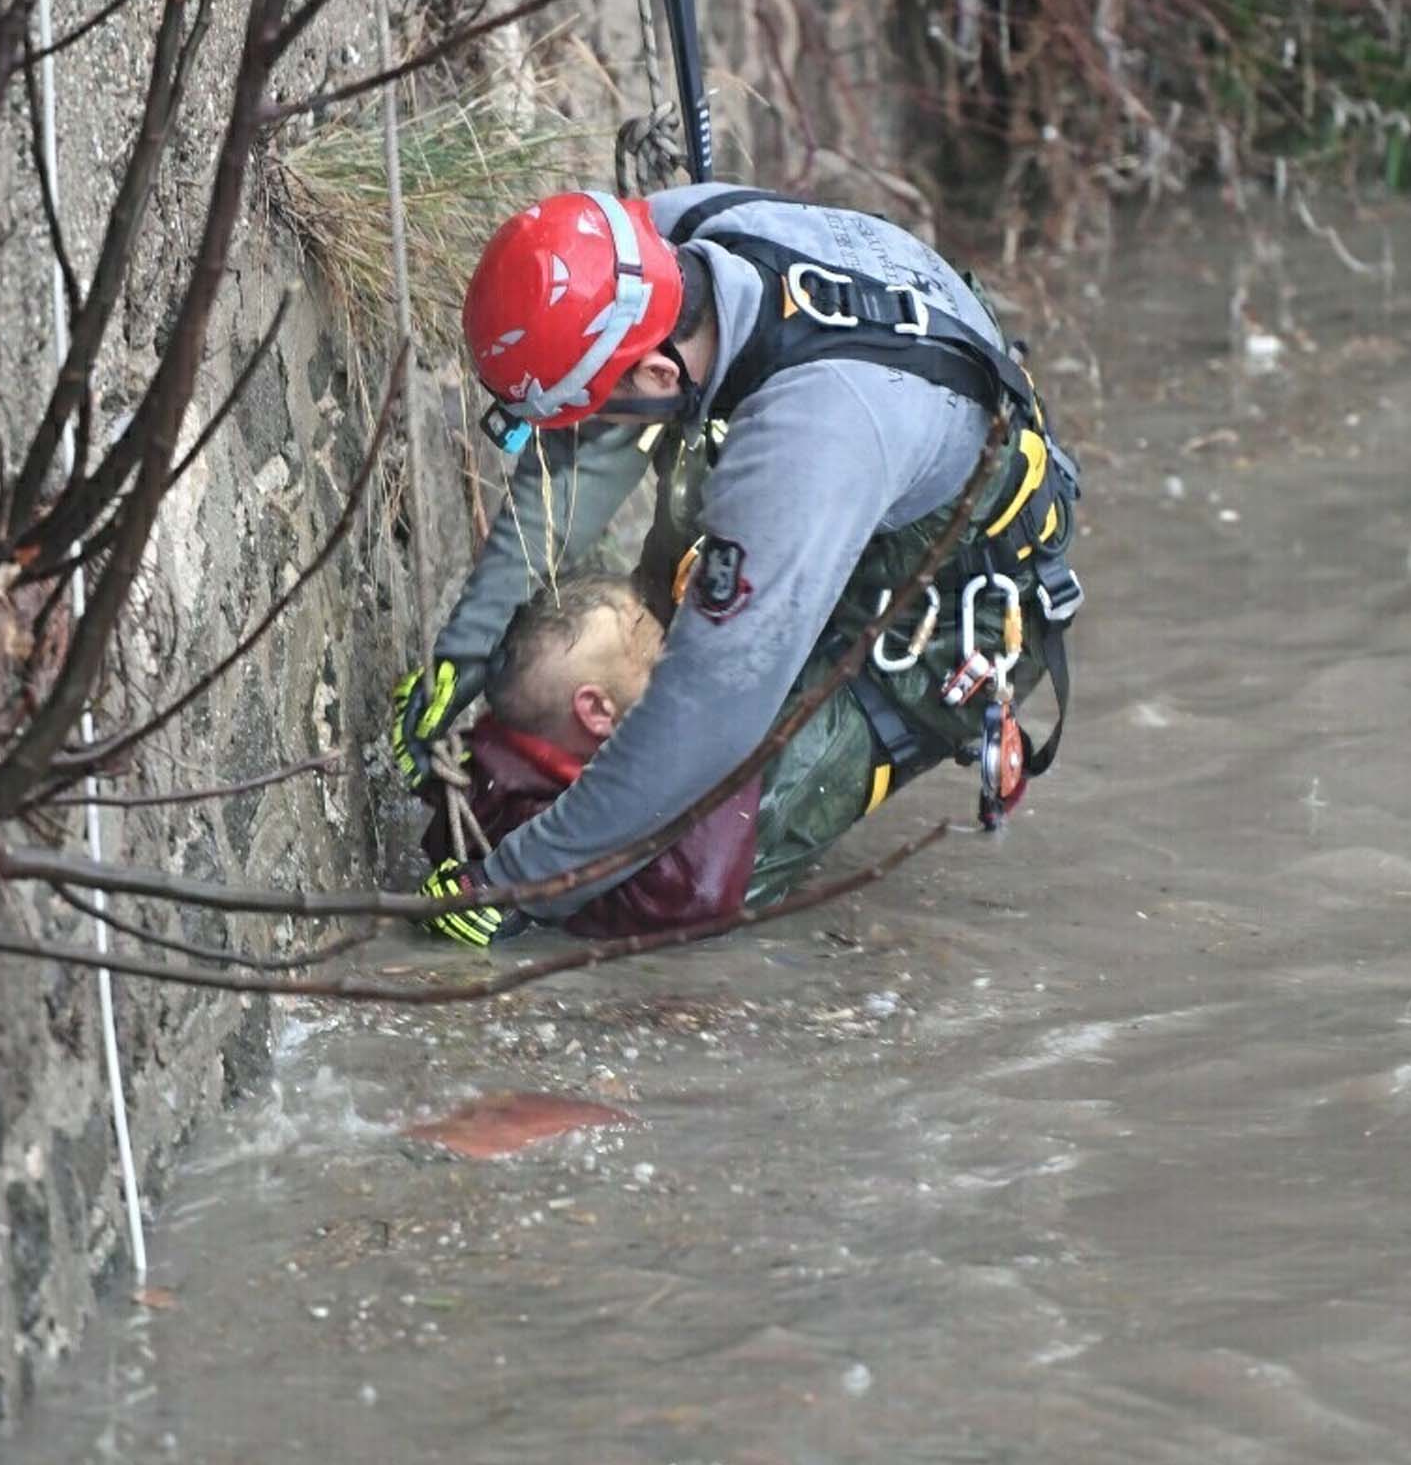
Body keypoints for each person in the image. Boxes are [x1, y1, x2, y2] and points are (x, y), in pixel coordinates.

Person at [396, 184, 1085, 945]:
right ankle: (577, 791)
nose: (590, 429)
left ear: (658, 374)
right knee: (672, 608)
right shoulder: (664, 242)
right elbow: (585, 447)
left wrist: (518, 884)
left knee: (690, 873)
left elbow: (707, 713)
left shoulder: (805, 444)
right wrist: (468, 644)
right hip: (878, 458)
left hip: (944, 604)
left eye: (599, 408)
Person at [418, 573, 879, 938]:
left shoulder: (492, 768)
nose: (677, 651)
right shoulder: (528, 816)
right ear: (598, 711)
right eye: (655, 652)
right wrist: (718, 717)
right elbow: (703, 893)